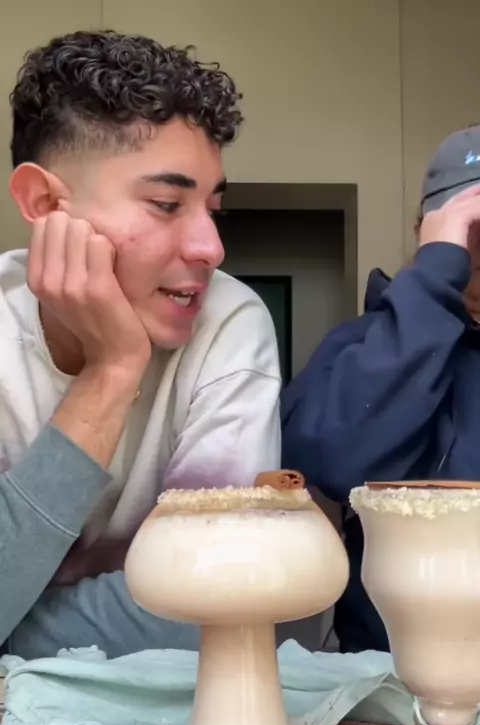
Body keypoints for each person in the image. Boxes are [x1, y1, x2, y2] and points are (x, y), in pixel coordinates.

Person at [0, 31, 281, 659]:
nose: (211, 248)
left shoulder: (229, 322)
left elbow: (212, 600)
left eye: (212, 209)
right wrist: (112, 371)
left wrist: (12, 628)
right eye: (166, 204)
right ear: (44, 203)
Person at [282, 126, 480, 652]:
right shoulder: (361, 345)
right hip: (391, 669)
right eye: (473, 226)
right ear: (427, 232)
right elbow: (334, 462)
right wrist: (438, 276)